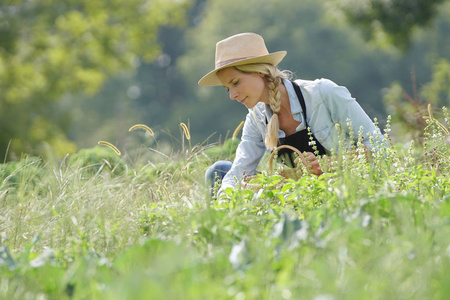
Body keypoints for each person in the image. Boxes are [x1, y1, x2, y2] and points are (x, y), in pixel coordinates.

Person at [199, 32, 385, 197]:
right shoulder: (256, 118)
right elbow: (240, 170)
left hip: (343, 192)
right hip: (300, 197)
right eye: (227, 89)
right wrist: (224, 201)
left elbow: (380, 148)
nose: (232, 95)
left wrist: (329, 164)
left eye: (236, 82)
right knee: (219, 171)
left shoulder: (323, 94)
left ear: (259, 71)